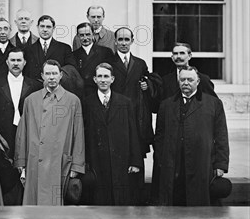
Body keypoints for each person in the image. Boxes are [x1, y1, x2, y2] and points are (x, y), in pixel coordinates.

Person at [155, 66, 229, 206]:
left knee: (199, 203)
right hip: (173, 165)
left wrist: (221, 164)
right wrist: (161, 158)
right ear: (178, 81)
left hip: (201, 163)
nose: (186, 83)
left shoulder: (213, 104)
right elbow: (159, 135)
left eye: (190, 79)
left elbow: (221, 136)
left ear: (198, 81)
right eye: (182, 79)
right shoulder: (166, 105)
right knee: (174, 203)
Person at [14, 60, 85, 206]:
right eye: (48, 74)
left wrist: (77, 165)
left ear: (60, 76)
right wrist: (21, 161)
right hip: (35, 160)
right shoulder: (31, 100)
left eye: (54, 73)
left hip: (59, 161)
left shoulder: (73, 101)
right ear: (42, 76)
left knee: (55, 207)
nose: (51, 77)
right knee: (34, 206)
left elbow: (78, 134)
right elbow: (22, 132)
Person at [0, 48, 42, 204]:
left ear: (24, 63)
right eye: (13, 60)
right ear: (7, 62)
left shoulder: (35, 86)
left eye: (19, 60)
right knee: (7, 182)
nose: (16, 64)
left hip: (28, 138)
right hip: (4, 140)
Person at [109, 27, 161, 203]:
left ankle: (137, 198)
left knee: (136, 156)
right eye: (120, 39)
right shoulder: (108, 62)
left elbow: (148, 82)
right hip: (116, 116)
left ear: (132, 41)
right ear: (115, 41)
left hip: (136, 117)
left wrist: (147, 87)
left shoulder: (140, 63)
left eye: (127, 39)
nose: (123, 43)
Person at [82, 63, 142, 205]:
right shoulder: (87, 103)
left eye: (106, 76)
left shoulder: (124, 102)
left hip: (120, 159)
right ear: (95, 79)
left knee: (120, 199)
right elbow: (83, 133)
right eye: (100, 76)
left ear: (112, 79)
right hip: (97, 159)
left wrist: (135, 161)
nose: (103, 80)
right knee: (99, 198)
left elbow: (133, 131)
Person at [23, 15, 75, 82]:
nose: (45, 30)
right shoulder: (28, 50)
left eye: (48, 27)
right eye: (42, 26)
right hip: (35, 89)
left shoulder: (64, 48)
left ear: (53, 28)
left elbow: (70, 70)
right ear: (37, 27)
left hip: (56, 87)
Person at [73, 22, 113, 98]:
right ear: (78, 36)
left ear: (93, 34)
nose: (85, 38)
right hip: (81, 95)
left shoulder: (105, 52)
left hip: (99, 93)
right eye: (81, 35)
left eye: (88, 34)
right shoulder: (73, 55)